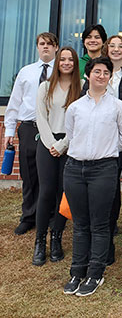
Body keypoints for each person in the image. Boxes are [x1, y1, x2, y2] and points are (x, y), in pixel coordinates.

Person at [62, 57, 122, 297]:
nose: (101, 76)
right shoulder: (75, 107)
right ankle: (77, 271)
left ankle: (95, 273)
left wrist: (109, 150)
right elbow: (71, 135)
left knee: (100, 224)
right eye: (97, 71)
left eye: (106, 72)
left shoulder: (118, 107)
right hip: (74, 169)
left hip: (103, 169)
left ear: (109, 78)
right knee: (81, 224)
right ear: (88, 75)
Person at [81, 35, 122, 265]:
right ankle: (98, 232)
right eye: (112, 46)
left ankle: (109, 229)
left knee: (111, 188)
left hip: (121, 141)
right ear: (107, 50)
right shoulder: (98, 74)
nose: (116, 50)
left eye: (121, 46)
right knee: (100, 187)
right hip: (96, 140)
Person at [4, 32, 59, 235]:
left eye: (49, 44)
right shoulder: (26, 72)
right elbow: (14, 102)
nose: (45, 47)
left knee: (50, 174)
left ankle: (51, 216)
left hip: (52, 128)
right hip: (28, 127)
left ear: (56, 48)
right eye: (42, 44)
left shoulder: (61, 72)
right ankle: (28, 216)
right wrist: (9, 129)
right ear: (37, 47)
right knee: (29, 173)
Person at [32, 46, 82, 266]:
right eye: (63, 59)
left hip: (69, 144)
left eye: (70, 59)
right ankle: (40, 241)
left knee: (64, 193)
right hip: (47, 142)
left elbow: (79, 121)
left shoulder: (80, 88)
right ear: (57, 61)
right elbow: (40, 117)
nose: (67, 63)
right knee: (46, 192)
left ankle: (57, 238)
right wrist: (52, 143)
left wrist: (63, 144)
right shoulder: (45, 87)